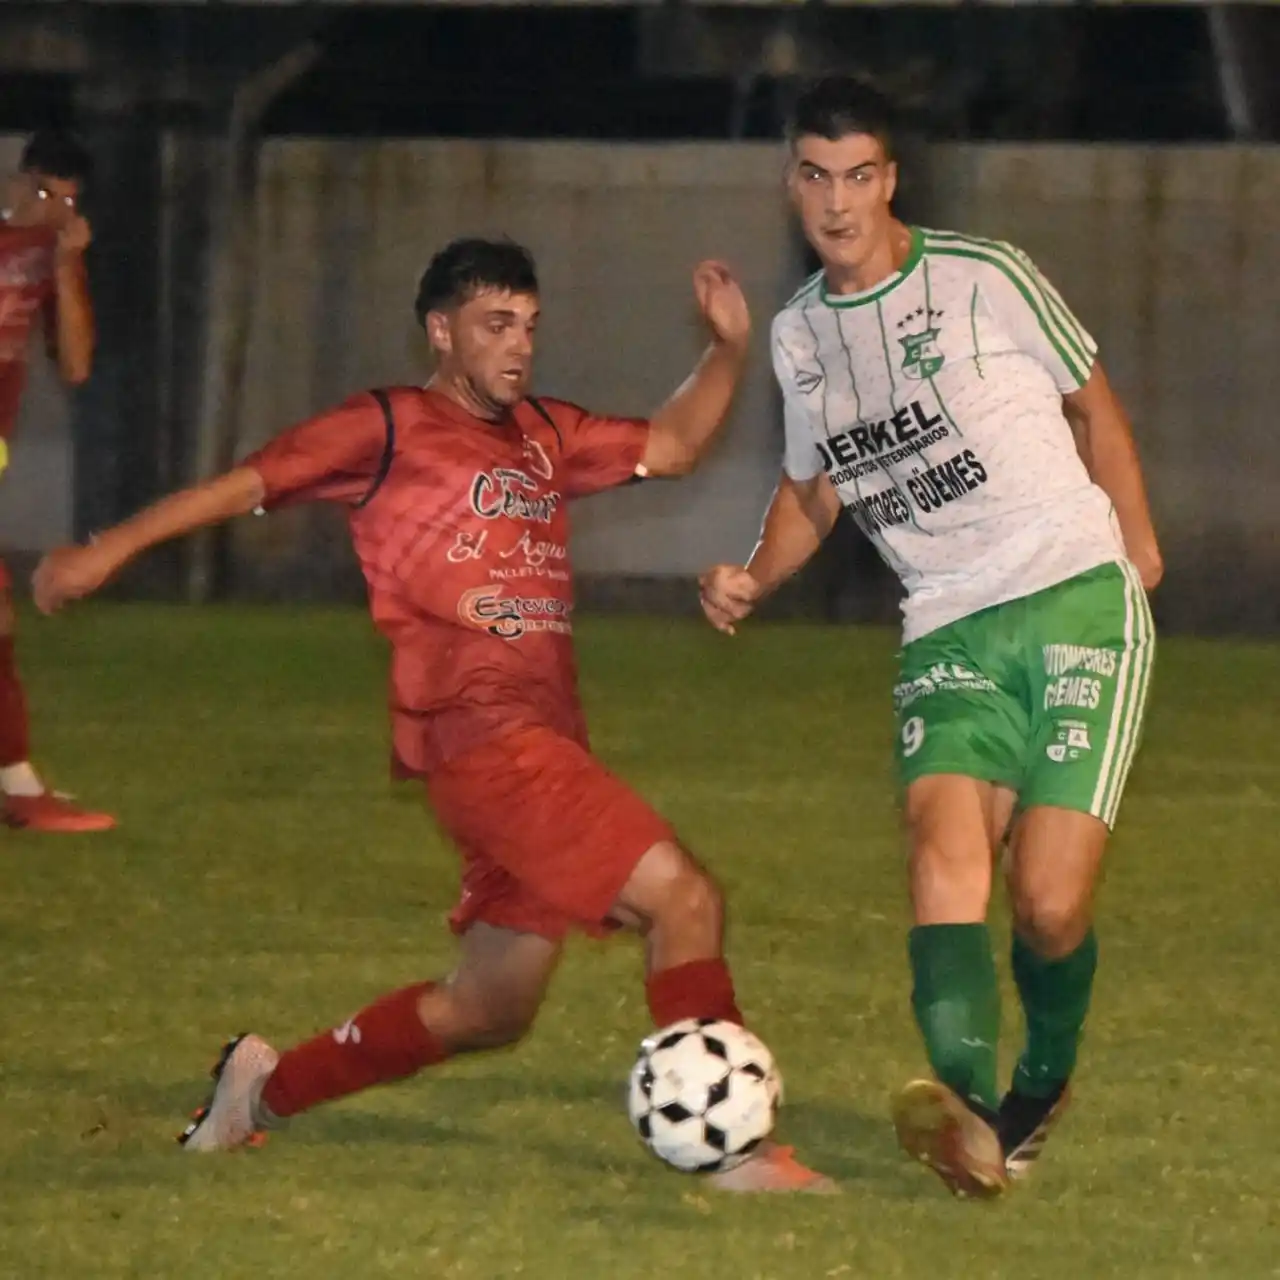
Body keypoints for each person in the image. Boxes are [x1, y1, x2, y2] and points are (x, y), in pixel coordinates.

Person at [34, 237, 832, 1193]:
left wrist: (728, 351)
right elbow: (251, 482)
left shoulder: (542, 433)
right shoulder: (390, 425)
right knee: (685, 899)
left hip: (530, 748)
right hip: (484, 739)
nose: (519, 346)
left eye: (530, 326)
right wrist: (105, 551)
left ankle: (263, 1090)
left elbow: (671, 446)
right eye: (498, 325)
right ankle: (731, 1152)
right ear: (441, 330)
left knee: (490, 1008)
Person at [699, 78, 1161, 1199]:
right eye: (815, 175)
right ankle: (963, 1108)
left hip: (1069, 595)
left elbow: (1090, 400)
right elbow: (813, 493)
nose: (837, 200)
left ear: (889, 179)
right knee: (938, 847)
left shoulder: (979, 276)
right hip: (945, 616)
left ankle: (1038, 1080)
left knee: (1049, 902)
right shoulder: (801, 335)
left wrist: (1136, 556)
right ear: (791, 184)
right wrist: (752, 576)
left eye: (858, 174)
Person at [0, 131, 114, 832]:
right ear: (19, 183)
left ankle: (18, 786)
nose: (54, 212)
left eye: (68, 203)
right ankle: (19, 789)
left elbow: (74, 364)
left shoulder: (50, 260)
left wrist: (69, 264)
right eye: (46, 195)